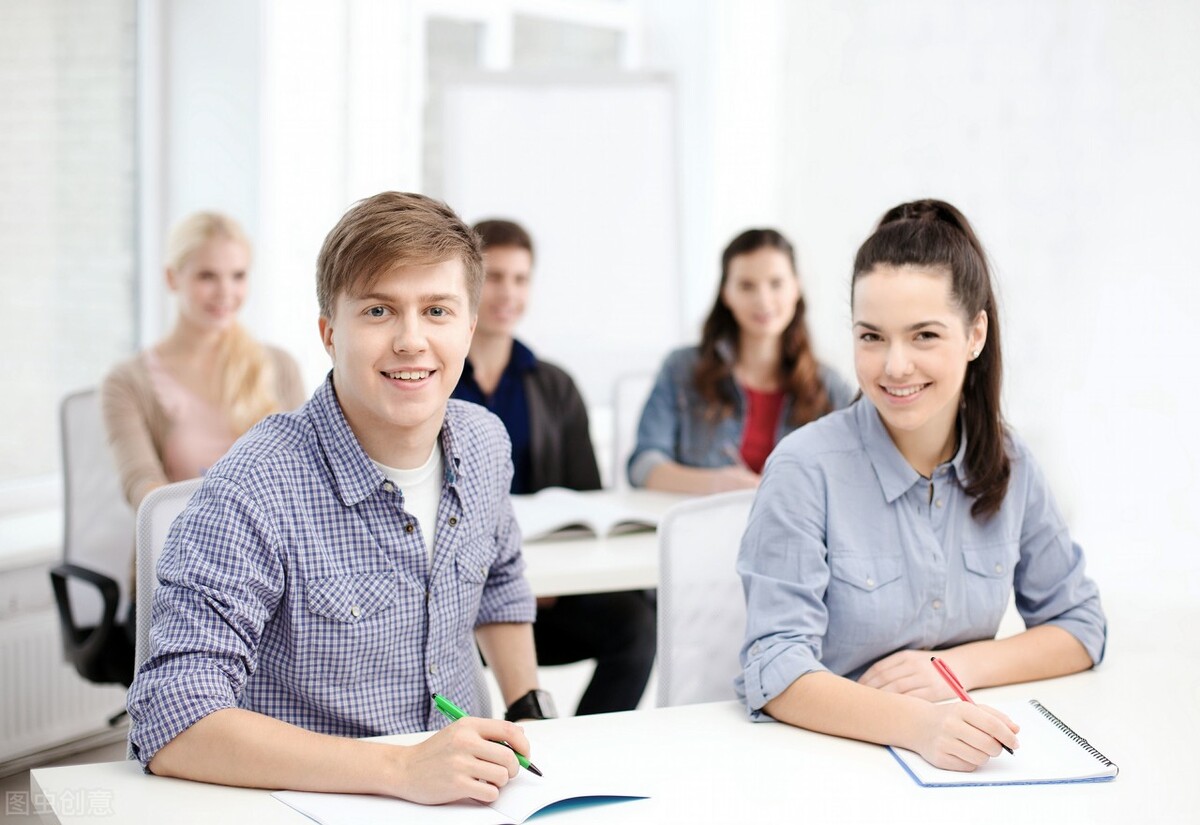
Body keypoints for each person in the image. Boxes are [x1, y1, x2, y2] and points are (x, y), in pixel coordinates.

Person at [127, 193, 550, 805]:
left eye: (437, 310)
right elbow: (171, 720)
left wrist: (527, 705)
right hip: (315, 804)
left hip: (471, 800)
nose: (411, 340)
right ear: (329, 333)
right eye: (379, 310)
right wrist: (403, 771)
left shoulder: (484, 443)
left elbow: (501, 581)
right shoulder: (258, 483)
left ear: (469, 327)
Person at [736, 199, 1107, 772]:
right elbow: (777, 668)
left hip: (960, 757)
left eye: (925, 335)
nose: (895, 366)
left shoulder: (1011, 463)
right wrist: (919, 725)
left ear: (975, 333)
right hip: (823, 762)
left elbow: (1080, 626)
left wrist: (956, 668)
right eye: (872, 337)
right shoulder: (805, 468)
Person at [452, 219, 656, 715]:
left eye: (520, 279)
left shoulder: (555, 387)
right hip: (459, 597)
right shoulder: (434, 379)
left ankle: (576, 747)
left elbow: (584, 499)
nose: (508, 292)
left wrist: (549, 581)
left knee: (636, 625)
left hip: (549, 591)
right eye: (495, 276)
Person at [101, 211, 305, 512]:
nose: (226, 292)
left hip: (272, 551)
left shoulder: (280, 366)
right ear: (172, 278)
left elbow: (305, 475)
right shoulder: (127, 383)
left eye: (238, 276)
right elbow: (142, 489)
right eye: (207, 276)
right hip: (183, 549)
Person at [628, 228, 855, 494]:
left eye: (776, 283)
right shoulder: (681, 369)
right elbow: (643, 465)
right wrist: (714, 484)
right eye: (746, 286)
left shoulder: (828, 386)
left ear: (796, 288)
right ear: (726, 294)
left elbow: (857, 471)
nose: (763, 300)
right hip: (702, 527)